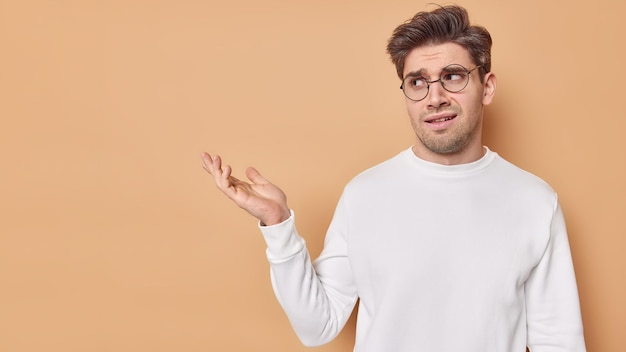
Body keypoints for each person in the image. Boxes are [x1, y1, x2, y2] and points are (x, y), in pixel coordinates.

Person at [201, 5, 586, 351]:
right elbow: (316, 327)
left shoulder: (534, 201)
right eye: (417, 82)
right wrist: (278, 224)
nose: (434, 97)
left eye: (452, 76)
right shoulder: (365, 194)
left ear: (486, 88)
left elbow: (559, 340)